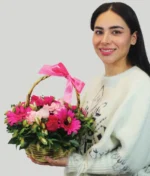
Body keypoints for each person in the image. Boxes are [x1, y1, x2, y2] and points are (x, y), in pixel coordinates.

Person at [29, 2, 150, 176]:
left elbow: (127, 163)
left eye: (116, 32)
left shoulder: (141, 87)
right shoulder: (92, 85)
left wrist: (74, 163)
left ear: (133, 38)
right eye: (99, 31)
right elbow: (82, 143)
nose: (105, 40)